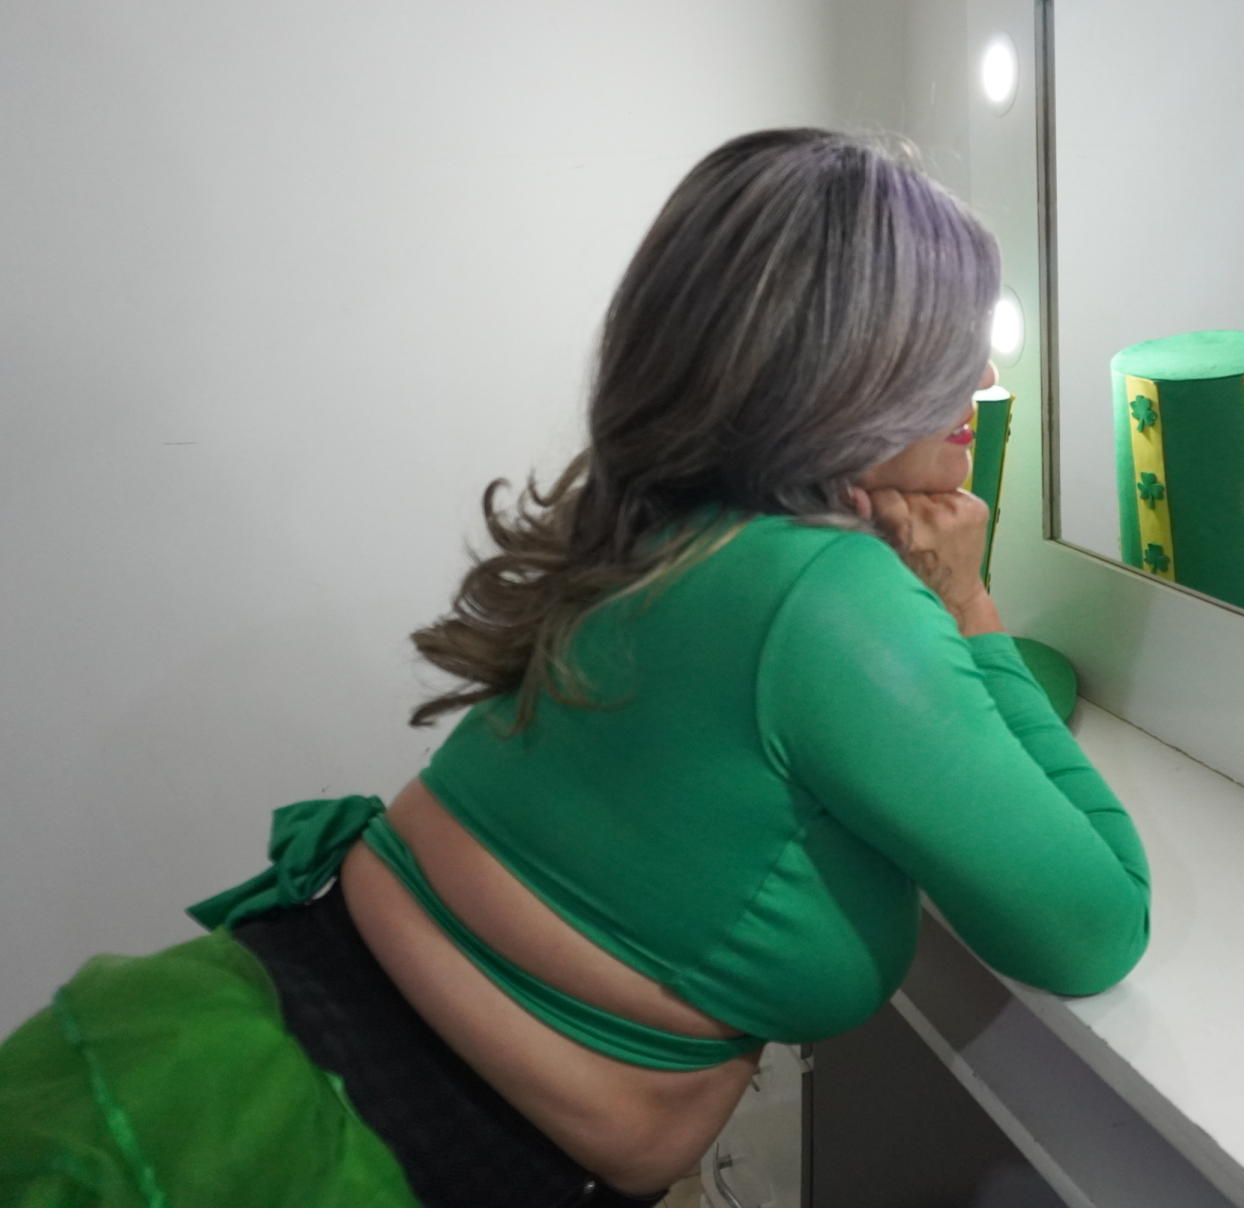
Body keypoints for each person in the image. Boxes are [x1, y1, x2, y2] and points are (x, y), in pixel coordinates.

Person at [0, 129, 1152, 1206]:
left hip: (270, 1042)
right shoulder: (828, 594)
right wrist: (966, 602)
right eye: (951, 344)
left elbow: (945, 733)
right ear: (854, 363)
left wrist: (961, 630)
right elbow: (1094, 926)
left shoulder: (676, 537)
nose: (976, 378)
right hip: (334, 1152)